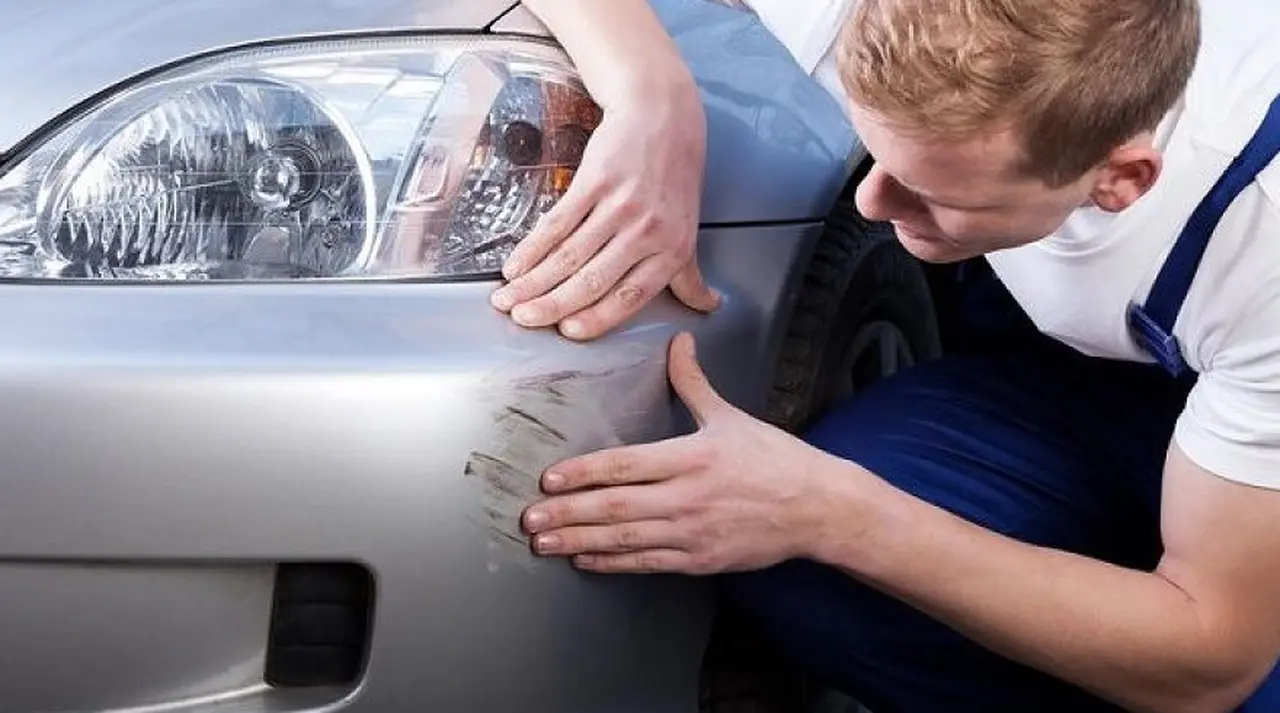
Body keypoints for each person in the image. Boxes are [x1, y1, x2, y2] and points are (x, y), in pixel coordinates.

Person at [516, 0, 1280, 711]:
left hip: (1235, 364)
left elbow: (1212, 657)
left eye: (935, 192)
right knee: (807, 579)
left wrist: (831, 512)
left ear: (1120, 179)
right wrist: (650, 98)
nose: (871, 204)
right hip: (1102, 368)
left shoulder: (1261, 240)